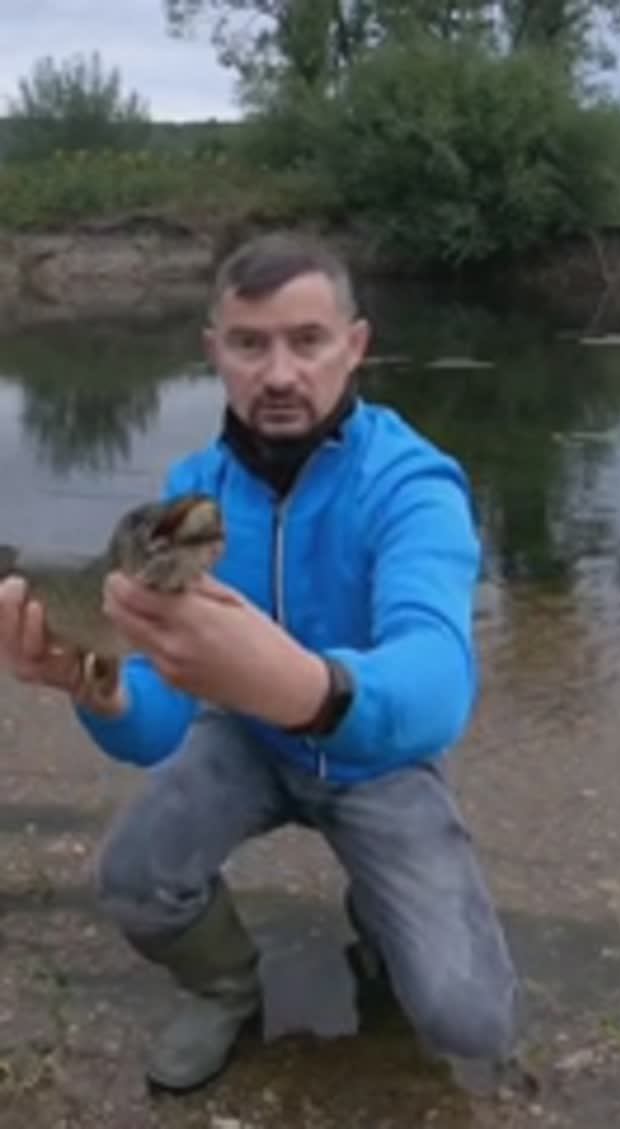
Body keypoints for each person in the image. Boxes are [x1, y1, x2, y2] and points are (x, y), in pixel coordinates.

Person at [0, 230, 518, 1094]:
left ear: (355, 344)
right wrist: (101, 691)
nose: (279, 374)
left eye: (307, 340)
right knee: (135, 879)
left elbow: (438, 681)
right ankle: (226, 986)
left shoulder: (412, 483)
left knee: (471, 1019)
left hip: (377, 757)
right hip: (246, 741)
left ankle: (377, 918)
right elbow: (159, 724)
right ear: (215, 352)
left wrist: (305, 689)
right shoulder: (190, 497)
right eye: (249, 344)